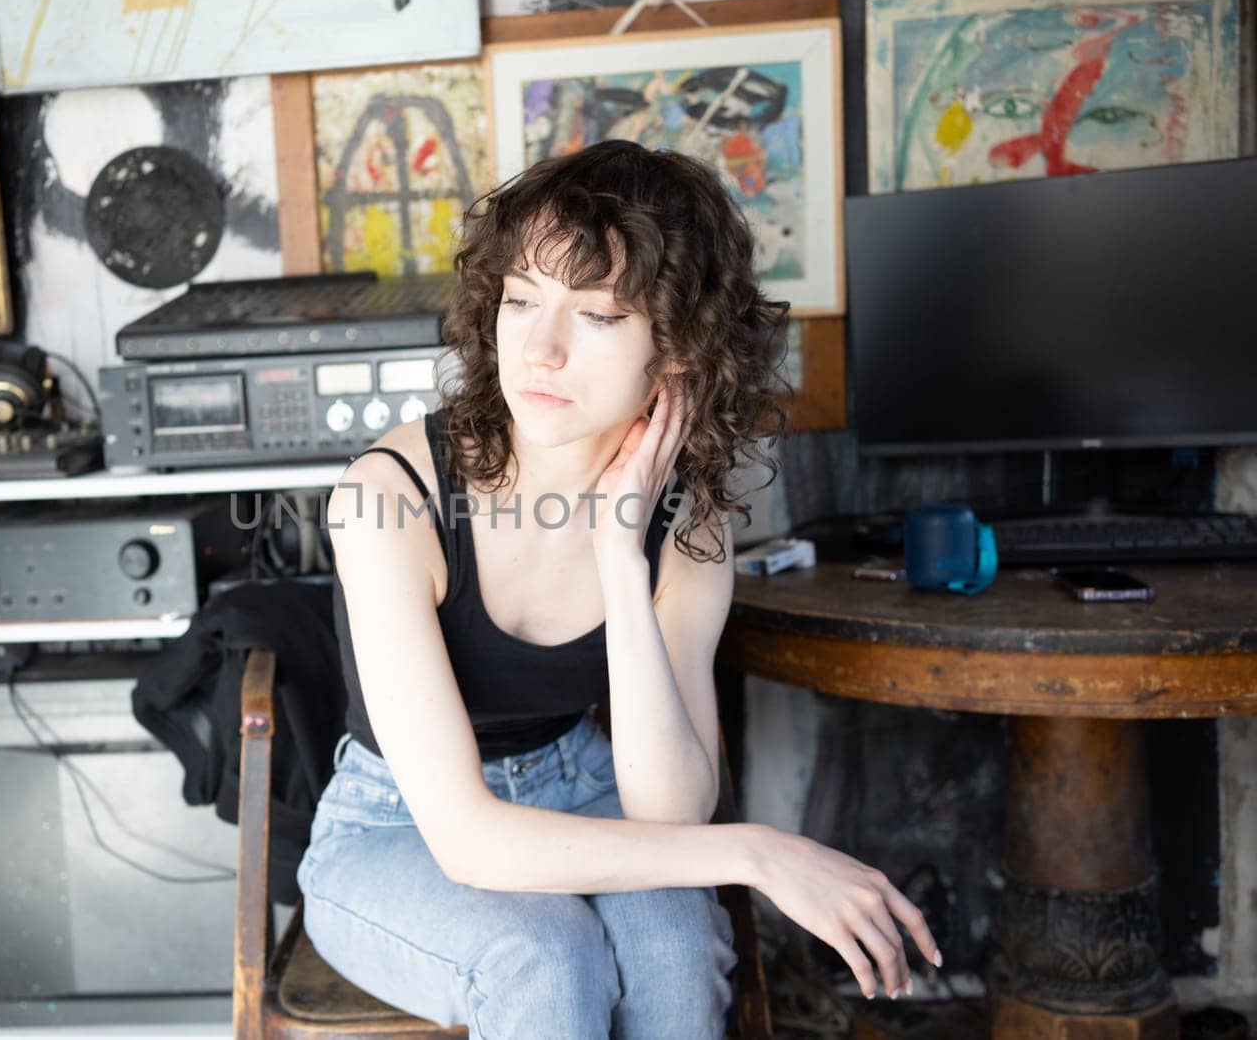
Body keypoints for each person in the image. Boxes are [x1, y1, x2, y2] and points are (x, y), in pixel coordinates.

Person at [300, 139, 940, 1039]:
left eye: (596, 315)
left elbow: (668, 809)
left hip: (580, 782)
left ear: (676, 350)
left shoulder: (688, 521)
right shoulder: (390, 495)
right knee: (546, 958)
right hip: (393, 826)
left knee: (676, 952)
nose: (541, 348)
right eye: (521, 301)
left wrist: (618, 557)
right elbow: (468, 837)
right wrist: (758, 850)